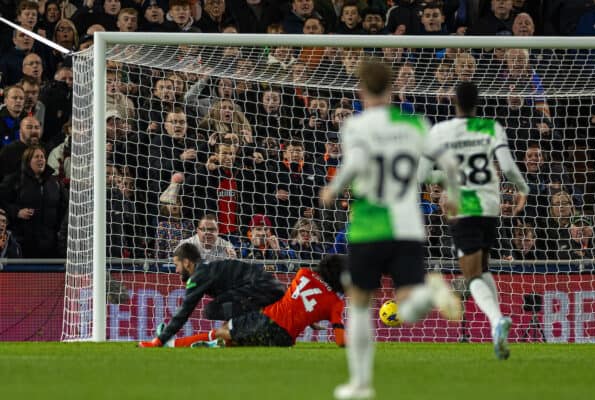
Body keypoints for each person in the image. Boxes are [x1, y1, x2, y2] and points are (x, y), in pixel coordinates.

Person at [320, 59, 462, 400]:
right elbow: (448, 164)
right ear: (392, 88)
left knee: (359, 303)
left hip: (369, 225)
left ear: (361, 89)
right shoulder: (414, 123)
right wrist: (453, 196)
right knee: (409, 305)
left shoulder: (355, 125)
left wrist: (334, 187)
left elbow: (354, 163)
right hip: (409, 226)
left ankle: (360, 384)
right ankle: (431, 292)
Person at [418, 81, 530, 360]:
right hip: (491, 205)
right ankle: (497, 323)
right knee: (482, 267)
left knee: (471, 275)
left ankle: (496, 321)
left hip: (462, 207)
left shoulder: (440, 131)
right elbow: (506, 167)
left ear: (453, 101)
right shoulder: (492, 127)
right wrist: (523, 189)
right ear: (478, 102)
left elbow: (421, 176)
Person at [138, 253, 346, 348]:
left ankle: (172, 344)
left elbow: (294, 299)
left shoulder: (303, 274)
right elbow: (340, 341)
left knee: (225, 329)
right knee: (233, 339)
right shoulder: (336, 304)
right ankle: (214, 346)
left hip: (267, 320)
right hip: (285, 341)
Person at [137, 242, 286, 338]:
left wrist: (160, 339)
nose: (176, 270)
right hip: (266, 286)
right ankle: (245, 330)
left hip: (263, 287)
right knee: (220, 305)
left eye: (177, 265)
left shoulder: (200, 275)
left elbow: (185, 311)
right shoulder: (208, 268)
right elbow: (231, 298)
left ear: (187, 262)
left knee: (212, 309)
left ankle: (252, 330)